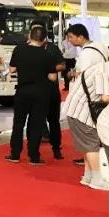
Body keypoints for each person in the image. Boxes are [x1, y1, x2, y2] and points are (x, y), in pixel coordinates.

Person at [64, 59, 109, 190]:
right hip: (81, 113)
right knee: (92, 146)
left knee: (87, 146)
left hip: (74, 111)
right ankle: (97, 179)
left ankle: (88, 177)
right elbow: (105, 98)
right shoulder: (104, 72)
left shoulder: (99, 67)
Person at [7, 25, 59, 165]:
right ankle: (34, 156)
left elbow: (12, 69)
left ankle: (15, 154)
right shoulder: (47, 55)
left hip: (22, 91)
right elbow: (53, 77)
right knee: (36, 124)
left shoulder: (19, 49)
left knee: (18, 123)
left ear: (30, 36)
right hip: (41, 93)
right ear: (44, 40)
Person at [40, 31, 67, 159]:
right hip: (36, 90)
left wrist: (49, 68)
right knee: (36, 119)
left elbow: (62, 65)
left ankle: (56, 148)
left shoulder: (52, 48)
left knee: (54, 121)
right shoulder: (26, 47)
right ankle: (34, 152)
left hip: (51, 90)